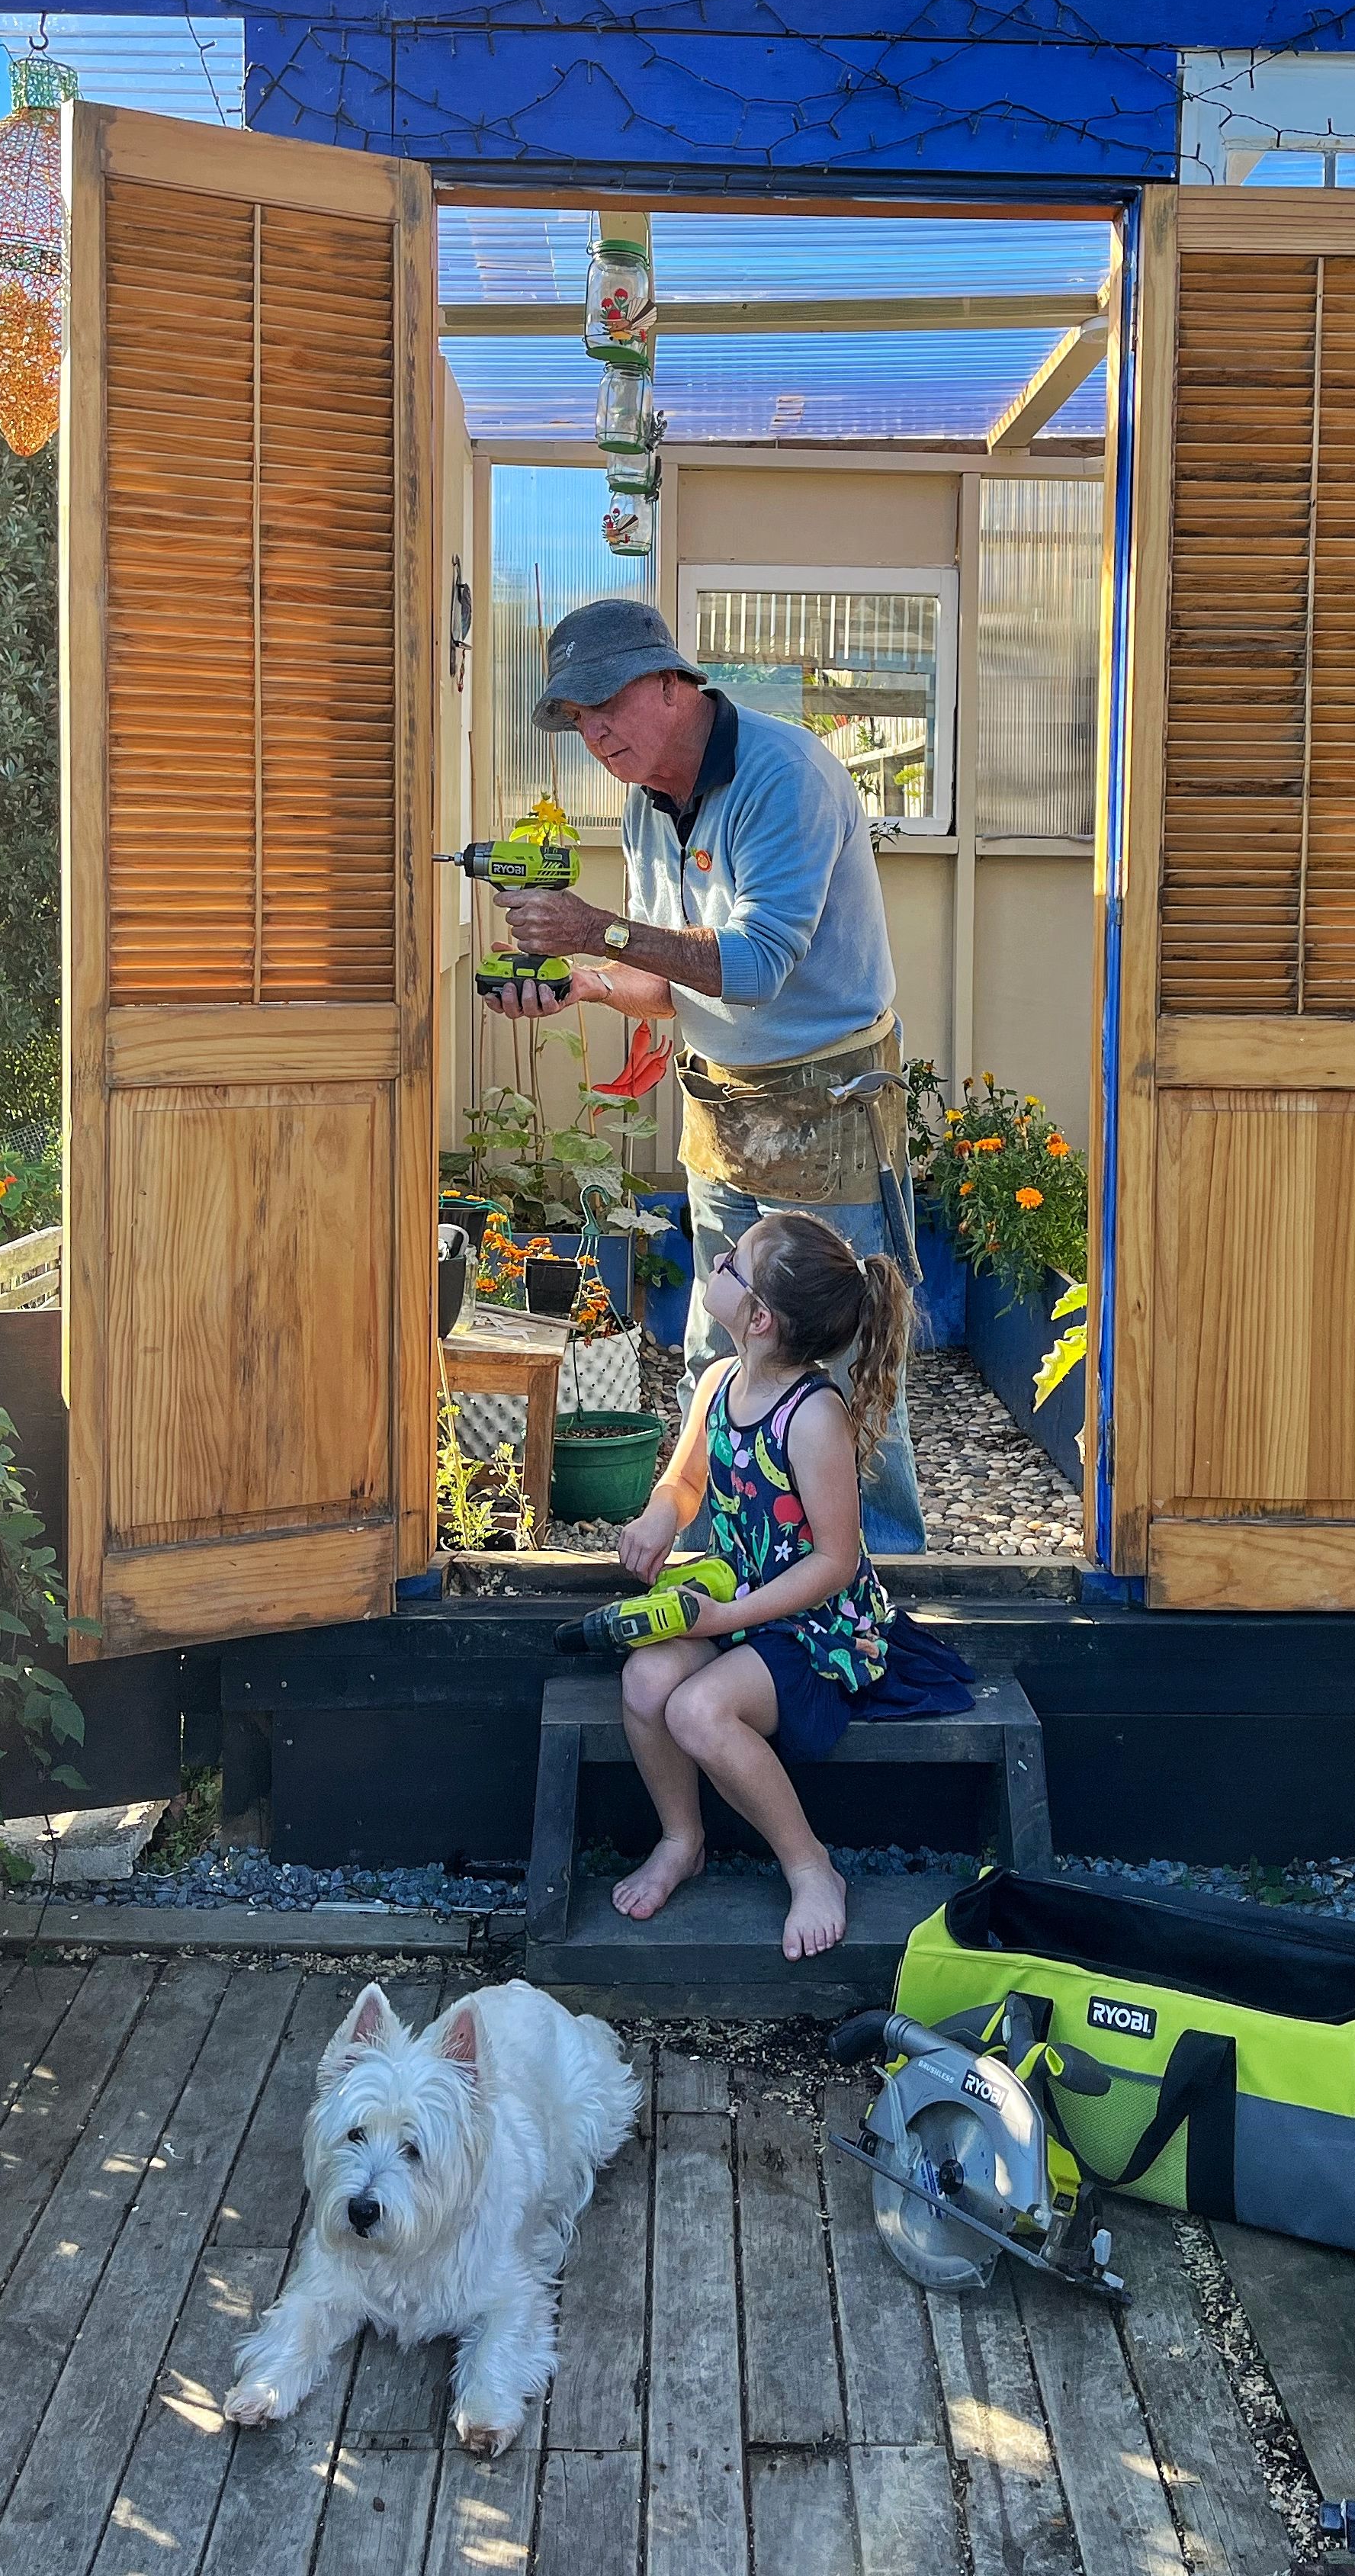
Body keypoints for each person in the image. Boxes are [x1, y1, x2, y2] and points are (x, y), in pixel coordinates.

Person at [480, 596, 925, 1553]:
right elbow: (665, 973)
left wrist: (593, 926)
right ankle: (724, 1557)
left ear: (676, 682)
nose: (593, 730)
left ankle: (878, 1579)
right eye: (574, 717)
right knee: (720, 1356)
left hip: (833, 1108)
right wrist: (587, 983)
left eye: (606, 701)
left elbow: (757, 966)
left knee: (845, 1361)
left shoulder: (783, 774)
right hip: (724, 1108)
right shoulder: (649, 806)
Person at [602, 1212, 972, 1958]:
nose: (721, 1258)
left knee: (700, 1712)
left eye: (734, 1261)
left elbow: (835, 1562)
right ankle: (683, 1838)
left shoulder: (811, 1416)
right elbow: (686, 1481)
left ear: (760, 1317)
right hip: (737, 1605)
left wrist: (722, 1618)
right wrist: (658, 1519)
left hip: (815, 1624)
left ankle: (810, 1865)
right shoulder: (718, 1381)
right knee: (646, 1682)